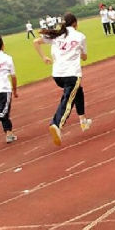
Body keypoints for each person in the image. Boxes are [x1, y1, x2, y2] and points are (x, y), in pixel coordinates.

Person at [32, 12, 92, 146]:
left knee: (78, 91)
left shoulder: (57, 35)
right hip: (72, 74)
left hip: (57, 75)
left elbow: (36, 42)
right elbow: (84, 57)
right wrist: (79, 53)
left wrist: (44, 57)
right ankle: (56, 124)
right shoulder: (80, 36)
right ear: (75, 23)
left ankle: (83, 120)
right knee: (67, 101)